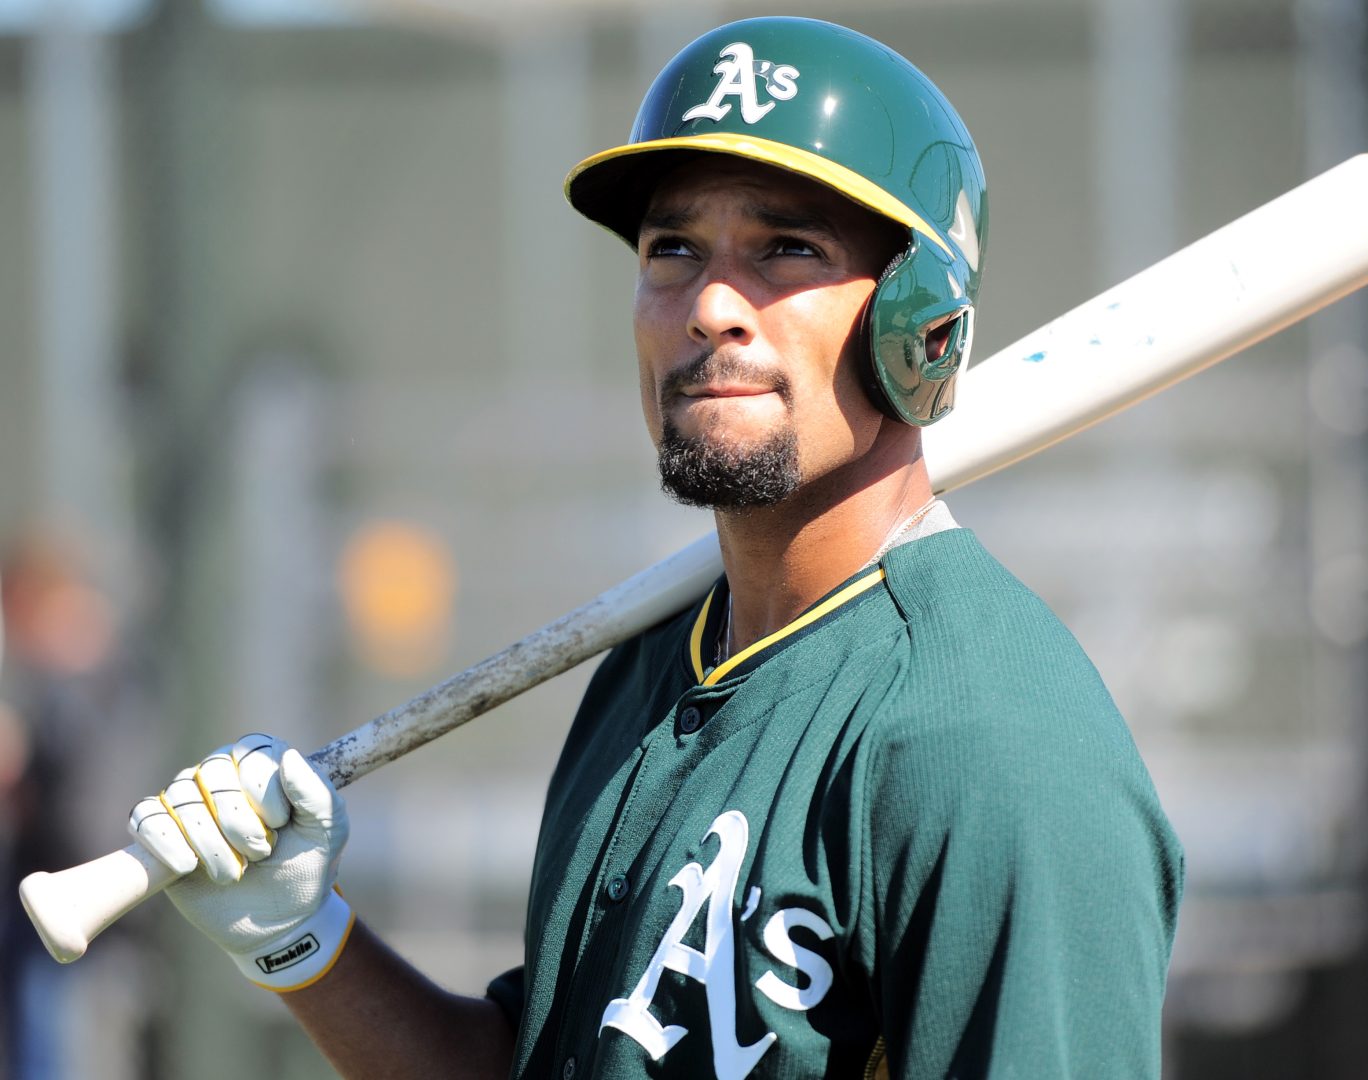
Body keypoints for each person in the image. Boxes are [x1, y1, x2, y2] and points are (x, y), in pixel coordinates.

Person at [126, 17, 1183, 1079]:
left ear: (919, 319)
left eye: (787, 249)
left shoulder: (985, 747)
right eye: (672, 250)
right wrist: (303, 943)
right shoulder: (656, 664)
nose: (711, 307)